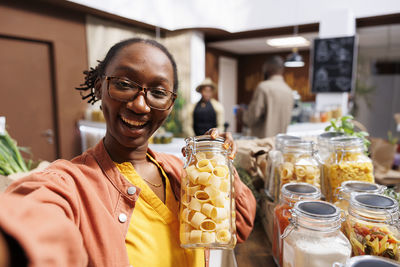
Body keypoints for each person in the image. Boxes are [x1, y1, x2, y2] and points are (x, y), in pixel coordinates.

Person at [0, 38, 256, 267]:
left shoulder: (181, 171)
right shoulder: (71, 183)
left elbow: (240, 225)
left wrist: (218, 164)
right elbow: (33, 220)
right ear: (99, 88)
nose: (140, 104)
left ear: (169, 105)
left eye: (158, 92)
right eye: (124, 84)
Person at [242, 56, 294, 138]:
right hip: (279, 144)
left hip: (262, 144)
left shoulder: (263, 87)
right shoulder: (289, 91)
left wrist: (242, 114)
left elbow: (252, 117)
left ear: (268, 68)